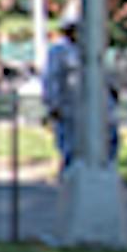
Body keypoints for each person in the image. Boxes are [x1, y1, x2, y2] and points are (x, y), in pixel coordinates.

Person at [43, 22, 85, 176]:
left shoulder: (88, 49)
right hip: (68, 108)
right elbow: (51, 79)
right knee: (70, 148)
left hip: (88, 109)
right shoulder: (59, 51)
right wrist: (53, 105)